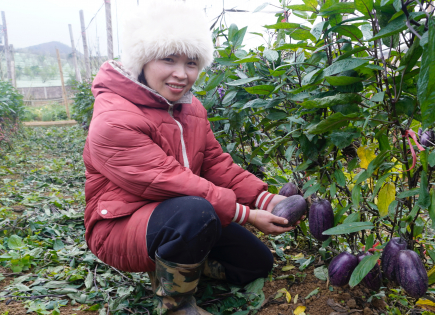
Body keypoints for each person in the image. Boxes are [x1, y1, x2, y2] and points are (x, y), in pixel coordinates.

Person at [82, 1, 297, 314]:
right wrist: (246, 215)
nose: (181, 74)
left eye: (192, 63)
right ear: (142, 60)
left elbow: (215, 164)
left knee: (256, 264)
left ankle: (178, 264)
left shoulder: (191, 110)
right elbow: (172, 181)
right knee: (194, 212)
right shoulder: (114, 118)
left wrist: (264, 200)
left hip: (184, 215)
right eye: (169, 59)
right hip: (120, 226)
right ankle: (177, 302)